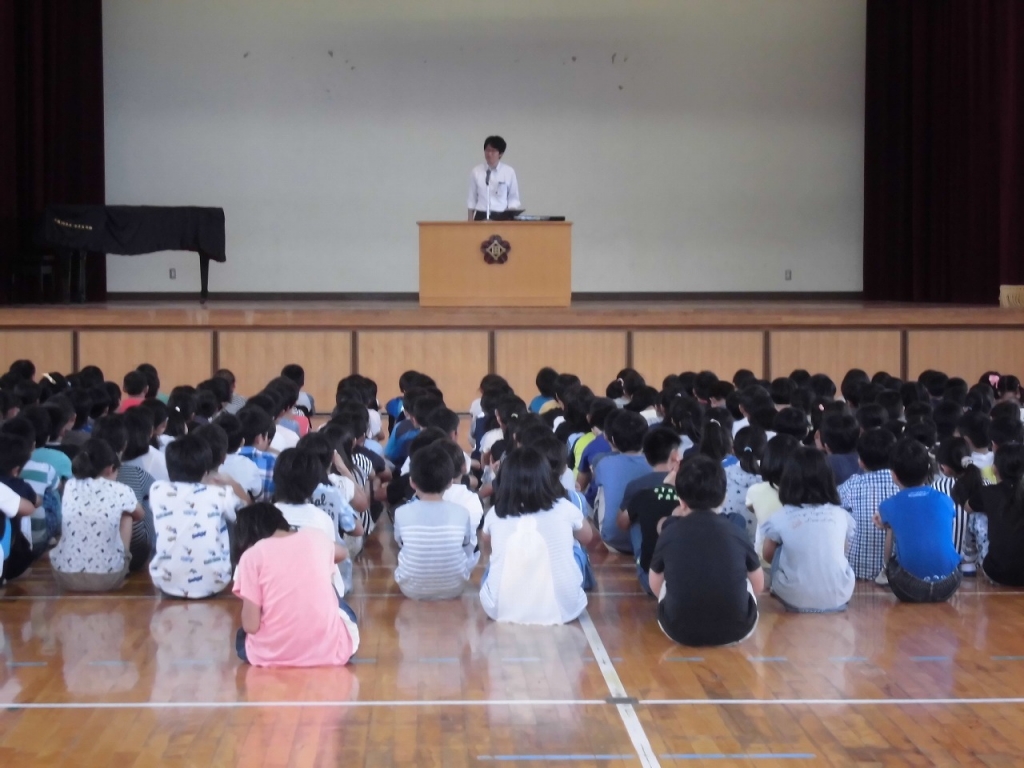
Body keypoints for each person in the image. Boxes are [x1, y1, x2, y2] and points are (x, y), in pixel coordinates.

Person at [648, 456, 762, 647]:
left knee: (668, 579)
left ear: (681, 501)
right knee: (746, 578)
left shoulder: (670, 532)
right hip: (739, 629)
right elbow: (758, 584)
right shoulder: (736, 531)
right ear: (724, 497)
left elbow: (654, 583)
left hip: (677, 631)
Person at [232, 502, 359, 667]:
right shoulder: (316, 537)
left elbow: (251, 626)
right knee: (335, 596)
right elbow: (343, 553)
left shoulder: (251, 556)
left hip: (273, 654)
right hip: (329, 650)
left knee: (241, 638)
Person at [480, 446, 593, 624]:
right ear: (546, 478)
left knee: (493, 564)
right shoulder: (565, 507)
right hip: (564, 609)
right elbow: (587, 537)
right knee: (577, 550)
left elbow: (486, 539)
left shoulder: (496, 513)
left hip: (499, 609)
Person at [761, 447, 856, 612]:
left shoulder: (780, 516)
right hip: (840, 595)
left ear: (788, 480)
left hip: (793, 597)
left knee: (780, 547)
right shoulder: (841, 514)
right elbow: (844, 549)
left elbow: (768, 555)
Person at [50, 439, 144, 592]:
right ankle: (123, 567)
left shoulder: (70, 485)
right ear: (110, 468)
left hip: (65, 576)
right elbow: (139, 514)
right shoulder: (120, 489)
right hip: (107, 578)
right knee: (127, 515)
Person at [876, 438, 961, 603]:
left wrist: (884, 523)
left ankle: (883, 574)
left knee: (892, 545)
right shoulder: (945, 499)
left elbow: (883, 523)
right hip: (949, 584)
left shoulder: (888, 505)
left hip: (909, 587)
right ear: (929, 468)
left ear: (893, 475)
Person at [393, 443, 477, 600]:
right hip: (455, 587)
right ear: (450, 482)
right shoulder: (462, 513)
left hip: (410, 589)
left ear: (412, 482)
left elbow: (401, 544)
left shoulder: (400, 513)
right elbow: (467, 548)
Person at [619, 427, 682, 595]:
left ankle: (642, 558)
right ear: (676, 455)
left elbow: (622, 524)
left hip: (651, 580)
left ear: (646, 458)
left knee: (634, 518)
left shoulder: (637, 486)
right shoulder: (687, 483)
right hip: (684, 578)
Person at [837, 428, 899, 582]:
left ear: (861, 461)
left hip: (857, 569)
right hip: (897, 571)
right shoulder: (903, 485)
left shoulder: (852, 485)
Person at [964, 443, 1024, 586]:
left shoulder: (988, 492)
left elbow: (967, 507)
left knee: (976, 516)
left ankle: (968, 561)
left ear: (994, 468)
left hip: (997, 573)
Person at [466, 135, 521, 221]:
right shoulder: (476, 171)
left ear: (500, 154)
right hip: (481, 214)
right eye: (487, 150)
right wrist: (470, 220)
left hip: (502, 215)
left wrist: (510, 216)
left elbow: (513, 198)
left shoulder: (509, 172)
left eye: (493, 151)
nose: (489, 154)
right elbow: (472, 198)